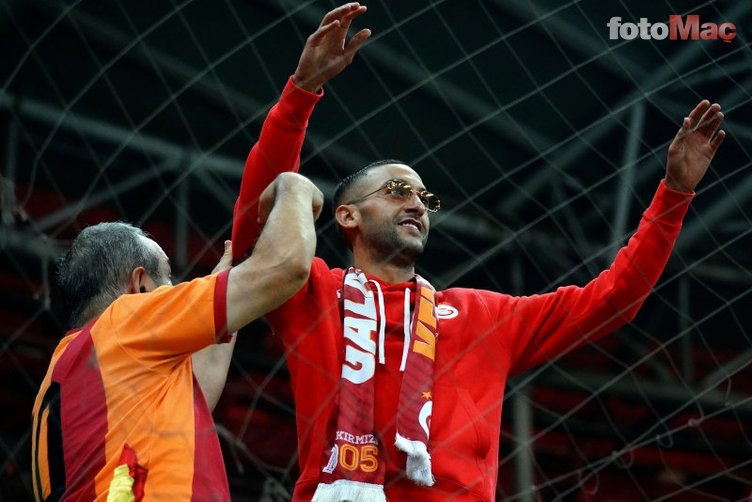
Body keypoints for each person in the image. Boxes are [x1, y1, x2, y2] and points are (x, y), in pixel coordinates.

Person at [231, 5, 726, 502]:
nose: (417, 205)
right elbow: (258, 222)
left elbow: (615, 299)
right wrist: (301, 93)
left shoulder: (483, 316)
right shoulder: (312, 293)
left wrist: (673, 194)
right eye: (398, 190)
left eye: (425, 199)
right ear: (347, 216)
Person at [30, 172, 323, 502]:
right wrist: (294, 187)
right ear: (141, 286)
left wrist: (233, 290)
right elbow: (285, 267)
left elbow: (196, 394)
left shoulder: (64, 370)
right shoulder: (126, 318)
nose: (175, 287)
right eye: (169, 276)